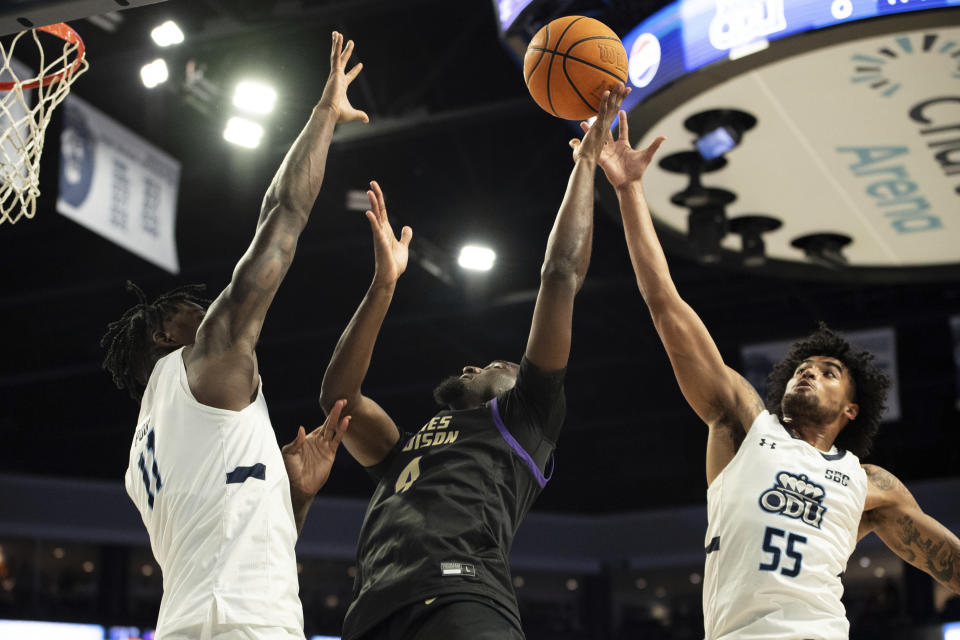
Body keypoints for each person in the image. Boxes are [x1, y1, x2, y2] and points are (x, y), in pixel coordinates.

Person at [578, 110, 960, 637]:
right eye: (804, 367)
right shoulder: (742, 424)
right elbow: (665, 303)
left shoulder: (869, 484)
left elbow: (951, 563)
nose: (809, 374)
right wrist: (629, 191)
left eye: (829, 373)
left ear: (851, 409)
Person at [318, 85, 630, 640]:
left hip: (461, 597)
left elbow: (559, 275)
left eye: (497, 363)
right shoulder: (402, 450)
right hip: (372, 616)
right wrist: (384, 284)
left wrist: (585, 164)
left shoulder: (523, 420)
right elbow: (339, 399)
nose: (474, 365)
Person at [99, 31, 365, 640]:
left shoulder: (142, 455)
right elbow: (281, 222)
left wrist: (291, 495)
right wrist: (324, 114)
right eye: (197, 310)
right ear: (169, 331)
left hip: (197, 622)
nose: (212, 310)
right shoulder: (209, 359)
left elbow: (236, 548)